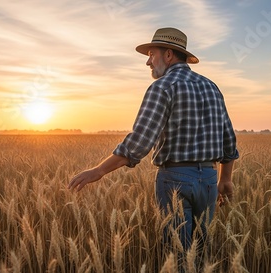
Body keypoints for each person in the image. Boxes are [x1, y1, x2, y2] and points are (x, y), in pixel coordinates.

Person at [68, 27, 239, 265]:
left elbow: (138, 143)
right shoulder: (212, 87)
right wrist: (225, 179)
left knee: (177, 257)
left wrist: (98, 171)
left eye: (151, 54)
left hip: (175, 179)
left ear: (168, 55)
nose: (148, 62)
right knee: (200, 256)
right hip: (209, 180)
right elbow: (228, 140)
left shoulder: (162, 87)